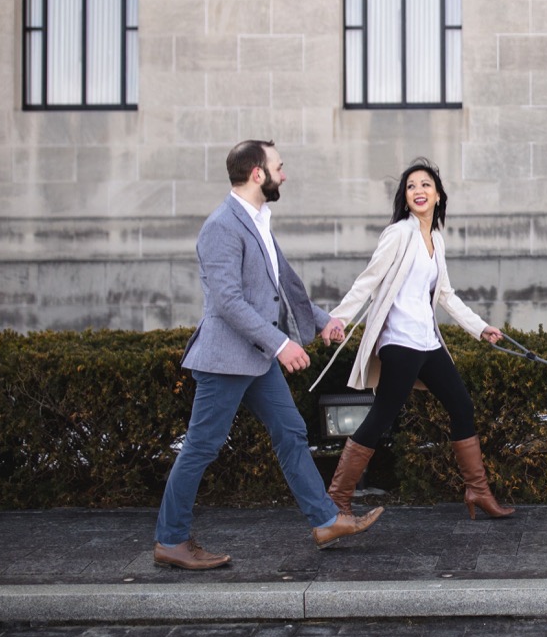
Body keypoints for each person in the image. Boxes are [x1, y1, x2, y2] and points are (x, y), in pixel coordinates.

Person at [153, 139, 384, 570]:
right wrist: (280, 344)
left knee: (291, 430)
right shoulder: (222, 225)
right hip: (225, 360)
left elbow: (285, 286)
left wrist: (321, 320)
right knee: (201, 447)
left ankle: (325, 521)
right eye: (279, 166)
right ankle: (170, 540)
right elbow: (227, 301)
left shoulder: (257, 220)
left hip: (254, 358)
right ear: (258, 173)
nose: (285, 173)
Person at [323, 157, 514, 520]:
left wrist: (480, 328)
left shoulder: (435, 240)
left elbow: (444, 294)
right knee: (382, 415)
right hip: (400, 342)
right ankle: (337, 500)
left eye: (426, 185)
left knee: (462, 407)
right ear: (405, 198)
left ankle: (477, 490)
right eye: (411, 186)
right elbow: (368, 280)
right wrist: (339, 318)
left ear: (439, 196)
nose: (418, 191)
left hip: (427, 342)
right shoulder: (399, 233)